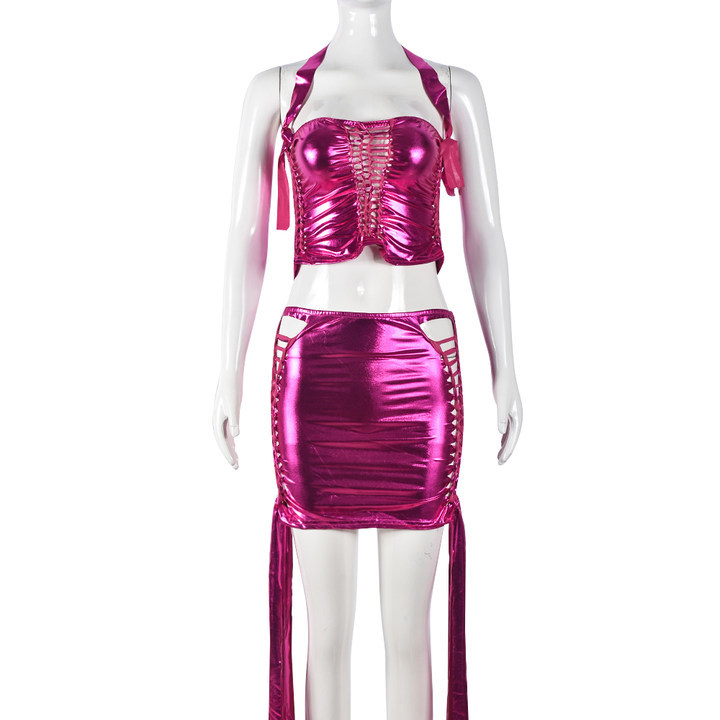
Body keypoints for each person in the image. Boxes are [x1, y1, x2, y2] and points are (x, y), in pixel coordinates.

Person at [213, 3, 522, 720]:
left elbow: (486, 236)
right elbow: (243, 240)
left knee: (409, 637)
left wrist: (505, 363)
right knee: (327, 636)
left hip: (421, 365)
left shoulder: (454, 87)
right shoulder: (275, 89)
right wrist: (228, 369)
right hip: (312, 369)